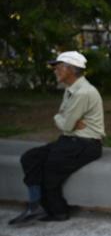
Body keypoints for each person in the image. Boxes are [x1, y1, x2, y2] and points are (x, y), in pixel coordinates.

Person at [9, 51, 104, 225]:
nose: (55, 71)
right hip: (71, 140)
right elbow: (64, 119)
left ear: (71, 69)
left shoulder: (82, 92)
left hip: (85, 144)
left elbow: (65, 124)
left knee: (50, 168)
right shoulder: (71, 90)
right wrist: (62, 119)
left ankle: (58, 211)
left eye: (58, 67)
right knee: (30, 158)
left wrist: (62, 119)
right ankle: (35, 204)